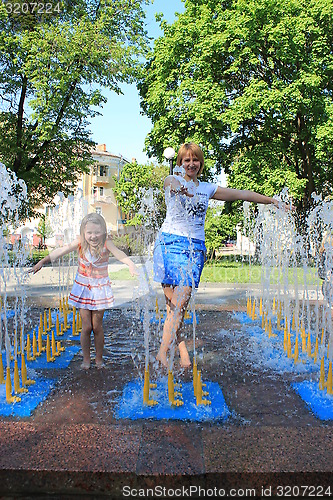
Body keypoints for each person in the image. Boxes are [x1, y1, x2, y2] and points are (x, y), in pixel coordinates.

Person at [153, 142, 288, 371]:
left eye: (195, 159)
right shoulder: (171, 179)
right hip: (168, 245)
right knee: (174, 308)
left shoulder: (207, 188)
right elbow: (172, 184)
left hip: (194, 248)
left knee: (180, 304)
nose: (191, 164)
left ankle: (162, 353)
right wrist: (181, 188)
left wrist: (273, 201)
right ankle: (181, 354)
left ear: (201, 163)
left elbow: (242, 194)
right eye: (186, 160)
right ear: (180, 163)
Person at [30, 213, 138, 369]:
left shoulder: (106, 243)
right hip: (83, 289)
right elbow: (61, 250)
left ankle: (99, 359)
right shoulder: (81, 243)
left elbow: (119, 254)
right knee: (86, 327)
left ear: (104, 232)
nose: (93, 236)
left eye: (97, 232)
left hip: (100, 289)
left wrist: (130, 264)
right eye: (89, 233)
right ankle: (86, 359)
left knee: (97, 327)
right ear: (83, 233)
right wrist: (42, 261)